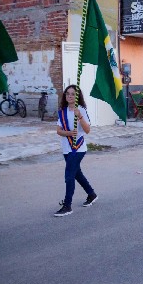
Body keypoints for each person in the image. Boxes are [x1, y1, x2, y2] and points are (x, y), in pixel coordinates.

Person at [54, 85, 97, 217]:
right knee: (77, 174)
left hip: (78, 149)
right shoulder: (62, 111)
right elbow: (58, 131)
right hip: (66, 148)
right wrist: (68, 132)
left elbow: (87, 130)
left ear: (77, 96)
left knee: (69, 175)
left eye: (73, 94)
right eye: (68, 94)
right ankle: (91, 194)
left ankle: (67, 205)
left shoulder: (81, 110)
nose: (70, 96)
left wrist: (80, 117)